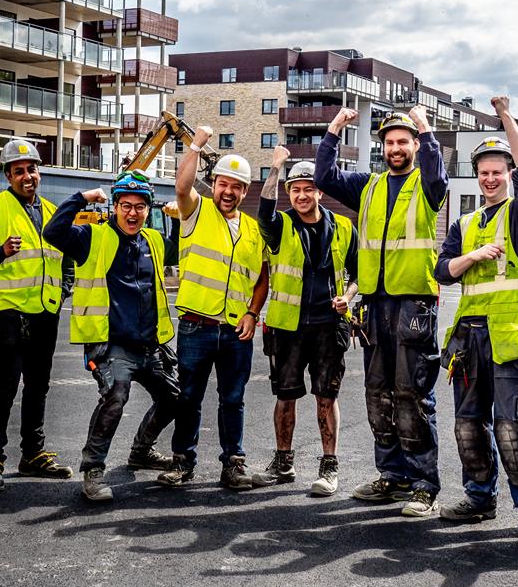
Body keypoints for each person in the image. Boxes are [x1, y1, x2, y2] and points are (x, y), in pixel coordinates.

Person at [315, 105, 446, 519]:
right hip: (374, 305)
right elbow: (324, 178)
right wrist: (335, 128)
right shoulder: (368, 187)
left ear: (413, 145)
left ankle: (424, 485)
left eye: (402, 142)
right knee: (378, 395)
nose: (395, 148)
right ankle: (392, 476)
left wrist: (425, 127)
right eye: (389, 143)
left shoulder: (426, 185)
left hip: (412, 304)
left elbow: (438, 174)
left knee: (412, 396)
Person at [436, 97, 518, 538]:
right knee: (468, 427)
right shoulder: (463, 225)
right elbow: (442, 271)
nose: (489, 178)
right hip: (467, 342)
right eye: (483, 171)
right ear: (477, 175)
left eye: (497, 171)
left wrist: (505, 116)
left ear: (506, 174)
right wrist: (474, 255)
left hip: (506, 339)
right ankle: (479, 499)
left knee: (511, 427)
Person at [43, 172, 179, 501]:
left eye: (140, 207)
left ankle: (141, 451)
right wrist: (82, 198)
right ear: (115, 207)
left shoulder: (154, 241)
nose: (133, 213)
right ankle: (93, 469)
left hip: (149, 345)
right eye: (126, 206)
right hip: (112, 343)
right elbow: (53, 231)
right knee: (116, 396)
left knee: (176, 398)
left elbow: (175, 251)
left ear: (148, 210)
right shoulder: (92, 237)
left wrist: (175, 221)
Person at [157, 126, 269, 490]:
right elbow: (180, 187)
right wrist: (196, 145)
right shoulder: (196, 212)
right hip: (197, 326)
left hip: (236, 330)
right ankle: (182, 462)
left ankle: (232, 464)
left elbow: (261, 279)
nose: (229, 192)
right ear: (215, 183)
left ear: (245, 191)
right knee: (189, 397)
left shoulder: (253, 230)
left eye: (237, 186)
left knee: (232, 399)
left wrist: (253, 313)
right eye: (224, 183)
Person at [0, 138, 72, 492]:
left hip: (45, 310)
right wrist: (1, 250)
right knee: (6, 385)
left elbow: (65, 256)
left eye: (32, 169)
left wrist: (65, 284)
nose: (27, 176)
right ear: (8, 176)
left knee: (39, 385)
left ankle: (33, 454)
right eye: (19, 171)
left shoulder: (54, 211)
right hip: (9, 313)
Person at [252, 146, 358, 496]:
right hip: (288, 327)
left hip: (330, 326)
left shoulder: (343, 227)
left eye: (308, 188)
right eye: (295, 189)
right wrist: (275, 166)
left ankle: (329, 467)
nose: (301, 194)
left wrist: (350, 296)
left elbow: (360, 273)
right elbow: (264, 211)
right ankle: (283, 463)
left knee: (326, 397)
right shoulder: (279, 225)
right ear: (289, 192)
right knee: (286, 396)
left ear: (319, 191)